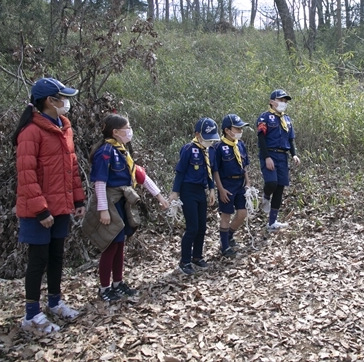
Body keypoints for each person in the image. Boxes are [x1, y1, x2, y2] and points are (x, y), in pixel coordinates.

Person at [12, 78, 86, 334]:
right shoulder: (31, 131)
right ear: (48, 101)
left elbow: (72, 167)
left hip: (61, 206)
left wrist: (78, 199)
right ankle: (31, 315)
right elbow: (26, 175)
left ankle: (55, 302)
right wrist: (41, 209)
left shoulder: (64, 127)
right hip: (39, 211)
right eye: (61, 98)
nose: (65, 103)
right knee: (38, 260)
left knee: (56, 256)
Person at [85, 114, 169, 301]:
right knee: (110, 246)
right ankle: (105, 288)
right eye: (127, 127)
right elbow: (100, 182)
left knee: (120, 244)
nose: (130, 131)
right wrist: (103, 209)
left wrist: (159, 197)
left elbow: (140, 175)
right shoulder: (105, 152)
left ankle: (118, 283)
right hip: (111, 203)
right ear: (115, 132)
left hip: (122, 202)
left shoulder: (121, 150)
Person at [169, 117, 219, 275]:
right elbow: (180, 171)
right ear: (198, 134)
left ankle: (197, 256)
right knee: (192, 227)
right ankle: (185, 261)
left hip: (201, 190)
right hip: (187, 190)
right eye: (207, 138)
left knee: (202, 227)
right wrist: (175, 192)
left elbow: (210, 171)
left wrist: (212, 189)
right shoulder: (188, 149)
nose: (210, 142)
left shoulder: (210, 151)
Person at [256, 89, 301, 232]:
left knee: (280, 187)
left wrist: (294, 154)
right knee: (271, 182)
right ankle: (265, 196)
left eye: (285, 101)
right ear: (272, 101)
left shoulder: (287, 119)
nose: (283, 103)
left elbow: (291, 139)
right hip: (269, 153)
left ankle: (272, 222)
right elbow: (261, 138)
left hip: (283, 156)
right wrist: (267, 157)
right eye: (280, 100)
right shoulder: (264, 118)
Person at [212, 114, 251, 257]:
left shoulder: (240, 144)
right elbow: (215, 170)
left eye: (241, 128)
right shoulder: (218, 147)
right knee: (226, 215)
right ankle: (224, 246)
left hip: (240, 183)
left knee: (242, 213)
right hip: (226, 184)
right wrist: (220, 189)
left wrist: (248, 182)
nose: (240, 131)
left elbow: (244, 165)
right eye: (237, 128)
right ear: (227, 130)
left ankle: (229, 235)